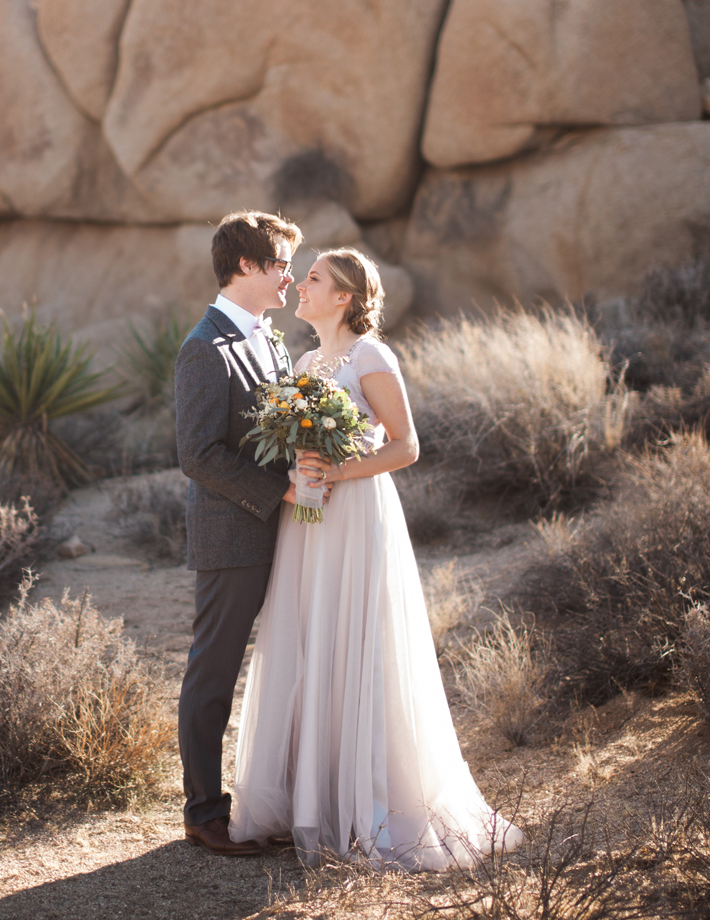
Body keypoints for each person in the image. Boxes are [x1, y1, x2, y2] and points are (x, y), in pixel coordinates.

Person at [226, 247, 522, 867]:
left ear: (345, 297)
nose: (298, 285)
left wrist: (340, 469)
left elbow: (407, 445)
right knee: (310, 637)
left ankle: (371, 802)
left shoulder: (371, 357)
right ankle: (314, 798)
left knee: (358, 639)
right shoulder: (307, 360)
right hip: (308, 520)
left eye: (312, 279)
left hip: (357, 515)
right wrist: (301, 467)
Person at [174, 209, 321, 857]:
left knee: (291, 667)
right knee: (215, 674)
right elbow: (198, 454)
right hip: (234, 539)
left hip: (289, 532)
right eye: (280, 264)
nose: (290, 277)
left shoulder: (271, 339)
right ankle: (205, 812)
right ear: (245, 267)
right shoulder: (204, 348)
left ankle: (284, 797)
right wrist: (281, 490)